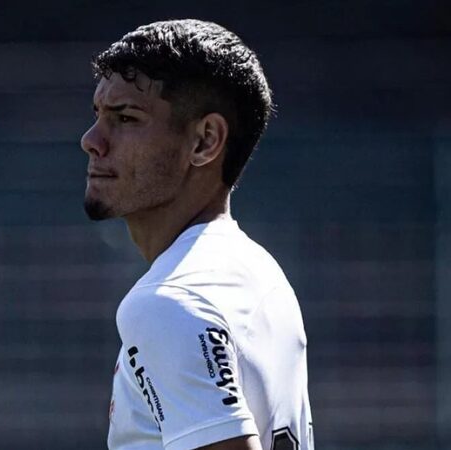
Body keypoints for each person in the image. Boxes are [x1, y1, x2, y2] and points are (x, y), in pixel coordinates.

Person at [80, 19, 313, 450]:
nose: (91, 140)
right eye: (98, 115)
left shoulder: (170, 301)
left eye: (125, 118)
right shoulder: (257, 272)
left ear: (205, 141)